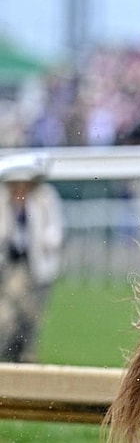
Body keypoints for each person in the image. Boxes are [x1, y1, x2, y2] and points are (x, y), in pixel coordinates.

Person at [0, 154, 64, 363]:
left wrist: (44, 243)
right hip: (10, 266)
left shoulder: (45, 198)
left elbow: (55, 232)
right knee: (8, 315)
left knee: (32, 317)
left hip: (37, 268)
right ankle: (12, 356)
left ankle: (25, 359)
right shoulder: (3, 201)